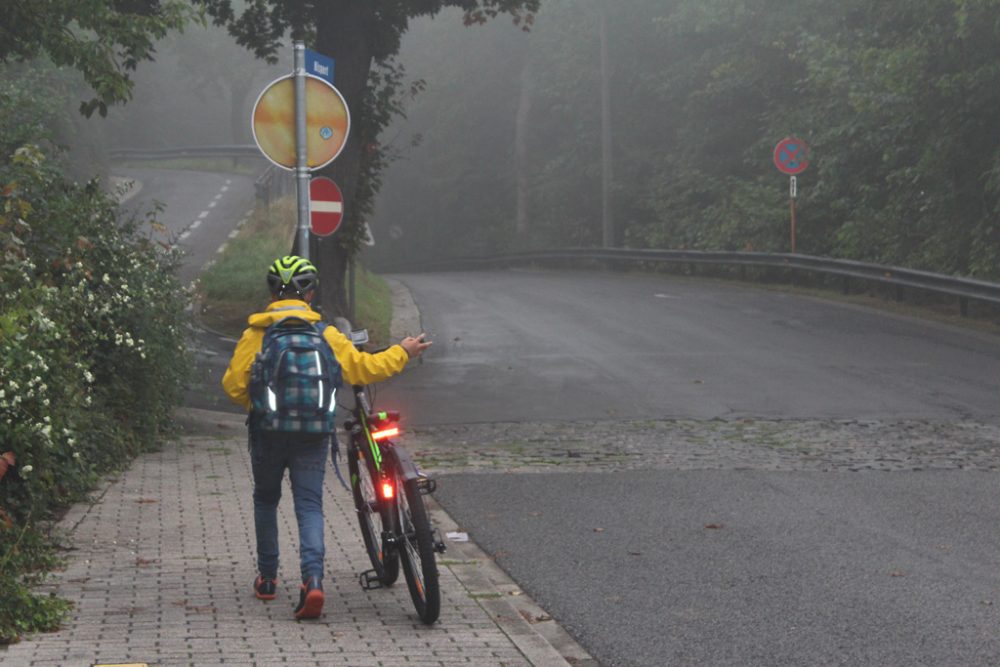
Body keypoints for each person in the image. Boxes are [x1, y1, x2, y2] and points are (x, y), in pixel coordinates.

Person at [221, 255, 431, 619]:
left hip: (267, 433)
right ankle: (313, 580)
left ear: (271, 293)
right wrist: (404, 352)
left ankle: (268, 579)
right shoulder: (325, 335)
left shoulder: (256, 335)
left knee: (265, 499)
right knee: (309, 505)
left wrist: (260, 404)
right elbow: (364, 368)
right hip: (314, 433)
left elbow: (233, 386)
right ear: (312, 293)